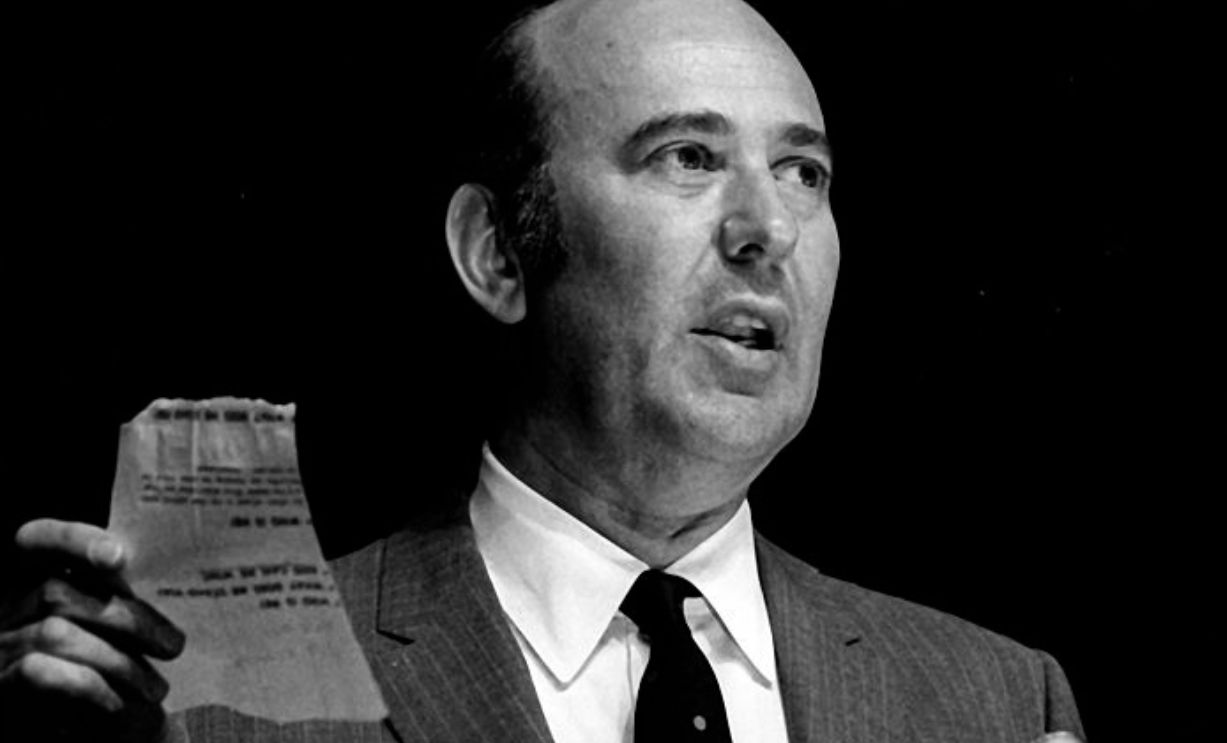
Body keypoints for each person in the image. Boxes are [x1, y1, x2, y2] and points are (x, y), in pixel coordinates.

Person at [0, 0, 1085, 741]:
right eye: (687, 157)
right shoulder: (197, 698)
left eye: (802, 170)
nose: (768, 229)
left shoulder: (991, 696)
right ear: (497, 254)